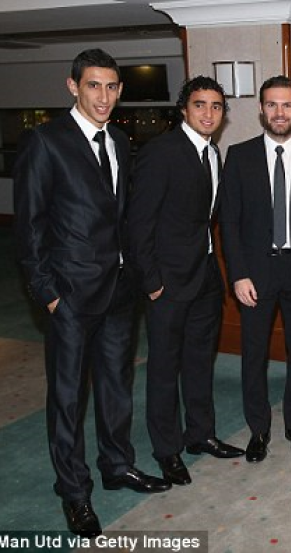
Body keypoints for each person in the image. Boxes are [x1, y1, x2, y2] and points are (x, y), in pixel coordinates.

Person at [13, 48, 169, 538]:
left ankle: (117, 466)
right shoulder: (45, 142)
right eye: (93, 85)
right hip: (71, 295)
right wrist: (48, 292)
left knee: (116, 387)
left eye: (111, 86)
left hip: (119, 291)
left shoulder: (120, 140)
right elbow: (29, 226)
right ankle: (74, 491)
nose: (103, 96)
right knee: (67, 398)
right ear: (73, 86)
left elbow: (120, 215)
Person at [129, 76, 244, 487]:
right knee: (164, 369)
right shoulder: (161, 152)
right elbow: (139, 222)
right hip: (168, 284)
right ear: (183, 109)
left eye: (216, 106)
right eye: (200, 105)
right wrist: (152, 281)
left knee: (199, 363)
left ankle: (200, 434)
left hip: (205, 279)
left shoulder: (213, 153)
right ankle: (167, 450)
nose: (208, 113)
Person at [220, 76, 291, 461]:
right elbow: (229, 222)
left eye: (287, 105)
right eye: (272, 104)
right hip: (255, 274)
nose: (280, 112)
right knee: (254, 354)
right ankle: (258, 430)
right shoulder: (239, 156)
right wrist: (238, 274)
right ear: (261, 109)